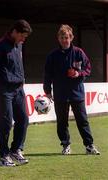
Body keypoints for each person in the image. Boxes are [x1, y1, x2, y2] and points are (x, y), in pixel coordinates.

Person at [43, 24, 100, 155]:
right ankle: (65, 145)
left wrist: (78, 74)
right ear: (58, 38)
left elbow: (88, 69)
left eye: (67, 37)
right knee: (62, 122)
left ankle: (89, 146)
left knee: (82, 120)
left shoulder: (79, 53)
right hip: (60, 94)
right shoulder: (52, 56)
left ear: (71, 37)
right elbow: (47, 74)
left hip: (77, 94)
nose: (65, 40)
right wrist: (47, 91)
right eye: (62, 37)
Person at [0, 19, 32, 166]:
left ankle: (16, 150)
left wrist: (22, 79)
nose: (24, 39)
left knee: (23, 120)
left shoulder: (19, 45)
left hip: (18, 89)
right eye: (22, 35)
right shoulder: (0, 45)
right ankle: (3, 156)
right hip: (4, 89)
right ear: (15, 32)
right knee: (5, 123)